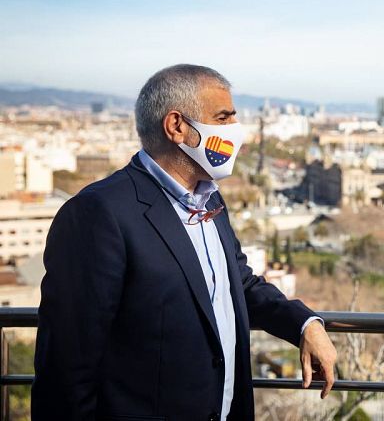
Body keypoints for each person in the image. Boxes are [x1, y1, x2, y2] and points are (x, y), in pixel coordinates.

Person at [32, 65, 337, 420]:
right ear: (177, 126)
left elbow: (237, 283)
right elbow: (67, 367)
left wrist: (304, 324)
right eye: (222, 118)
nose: (235, 132)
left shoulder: (210, 201)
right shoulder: (97, 213)